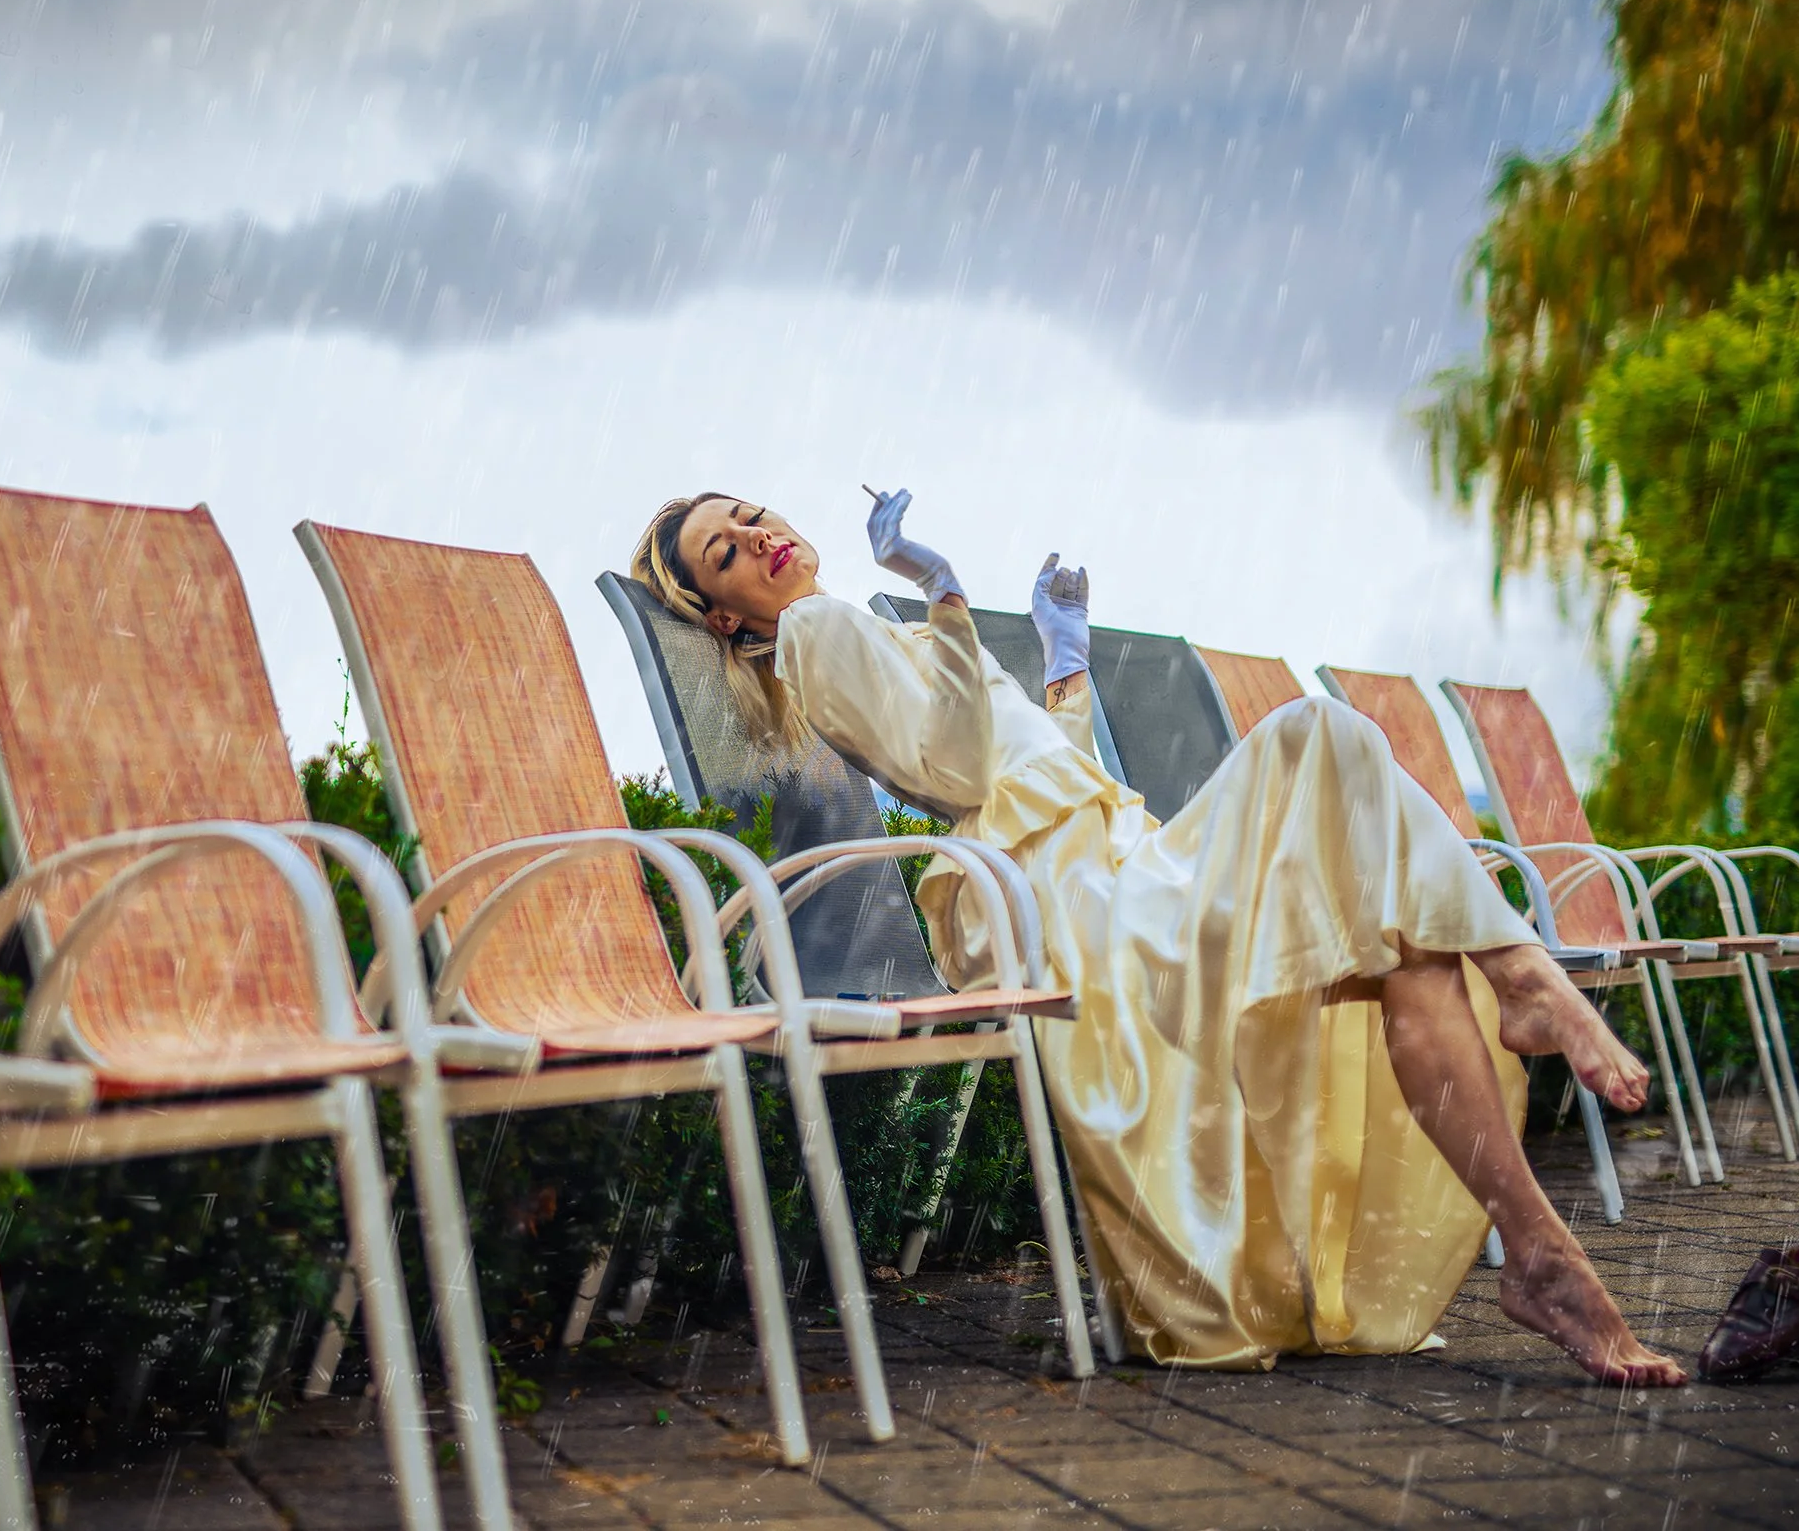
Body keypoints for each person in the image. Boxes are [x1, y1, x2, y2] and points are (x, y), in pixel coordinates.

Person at [631, 486, 1685, 1387]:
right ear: (724, 617)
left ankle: (1541, 1253)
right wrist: (941, 585)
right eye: (727, 551)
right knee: (1320, 738)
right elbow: (953, 769)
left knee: (1403, 952)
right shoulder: (820, 628)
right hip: (1066, 904)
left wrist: (1060, 663)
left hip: (1102, 871)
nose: (760, 535)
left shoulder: (858, 634)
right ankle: (1524, 978)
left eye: (753, 513)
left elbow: (1034, 763)